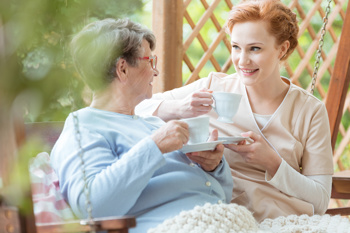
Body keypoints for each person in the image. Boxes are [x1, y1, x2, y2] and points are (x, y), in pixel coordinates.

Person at [136, 0, 334, 222]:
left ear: (282, 49)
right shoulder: (214, 87)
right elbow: (139, 107)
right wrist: (181, 107)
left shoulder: (310, 111)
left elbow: (321, 199)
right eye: (236, 47)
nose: (242, 60)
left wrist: (272, 162)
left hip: (282, 221)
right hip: (218, 217)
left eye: (255, 48)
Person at [50, 18, 233, 233]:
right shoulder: (83, 128)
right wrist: (154, 146)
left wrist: (214, 167)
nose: (156, 72)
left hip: (225, 221)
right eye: (150, 61)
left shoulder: (153, 123)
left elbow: (220, 193)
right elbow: (92, 207)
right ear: (123, 69)